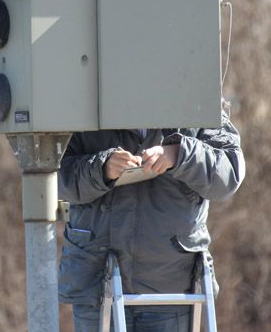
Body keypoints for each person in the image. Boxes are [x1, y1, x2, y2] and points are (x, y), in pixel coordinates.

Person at [58, 111, 245, 332]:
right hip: (97, 284)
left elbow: (228, 174)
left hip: (170, 291)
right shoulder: (83, 98)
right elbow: (53, 175)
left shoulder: (196, 96)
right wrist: (102, 168)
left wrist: (179, 153)